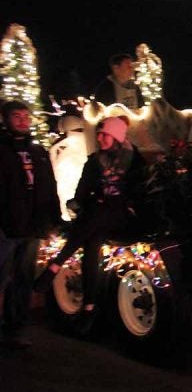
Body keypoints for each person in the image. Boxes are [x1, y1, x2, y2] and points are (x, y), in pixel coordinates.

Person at [34, 116, 145, 335]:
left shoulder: (133, 159)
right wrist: (78, 202)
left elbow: (141, 189)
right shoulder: (94, 161)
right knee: (92, 245)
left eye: (105, 135)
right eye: (99, 134)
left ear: (117, 137)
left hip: (124, 217)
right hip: (97, 219)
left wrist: (125, 202)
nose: (100, 138)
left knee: (102, 210)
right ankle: (89, 308)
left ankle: (55, 265)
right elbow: (82, 193)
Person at [0, 101, 61, 348]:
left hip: (32, 227)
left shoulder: (38, 152)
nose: (23, 121)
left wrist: (54, 219)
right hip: (6, 227)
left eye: (26, 116)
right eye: (17, 116)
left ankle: (14, 330)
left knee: (23, 280)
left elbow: (49, 187)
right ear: (5, 119)